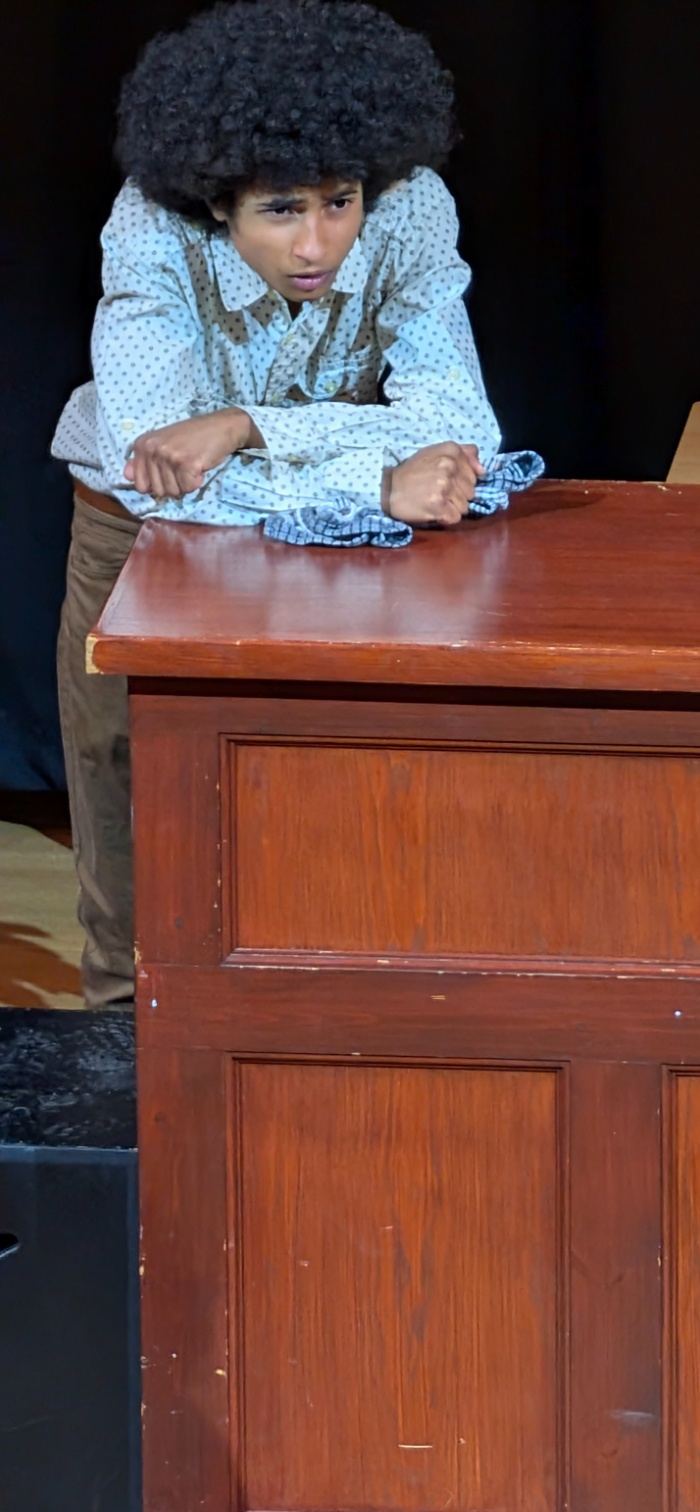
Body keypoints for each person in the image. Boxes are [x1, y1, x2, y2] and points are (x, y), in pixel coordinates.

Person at [51, 0, 502, 1006]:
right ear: (219, 204)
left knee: (312, 772)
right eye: (282, 211)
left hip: (318, 522)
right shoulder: (151, 227)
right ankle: (121, 1019)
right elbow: (151, 463)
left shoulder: (413, 204)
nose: (319, 245)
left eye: (338, 203)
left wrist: (248, 426)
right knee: (124, 765)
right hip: (145, 535)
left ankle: (295, 1030)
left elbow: (458, 419)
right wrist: (370, 478)